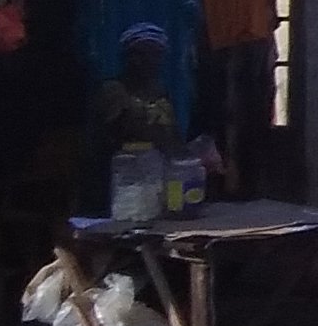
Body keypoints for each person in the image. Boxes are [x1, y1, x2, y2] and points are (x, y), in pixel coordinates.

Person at [89, 21, 220, 214]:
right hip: (124, 185)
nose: (151, 61)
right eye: (142, 54)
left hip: (155, 183)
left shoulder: (159, 93)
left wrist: (194, 155)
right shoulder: (114, 91)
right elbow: (118, 135)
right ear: (129, 57)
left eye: (156, 54)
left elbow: (171, 138)